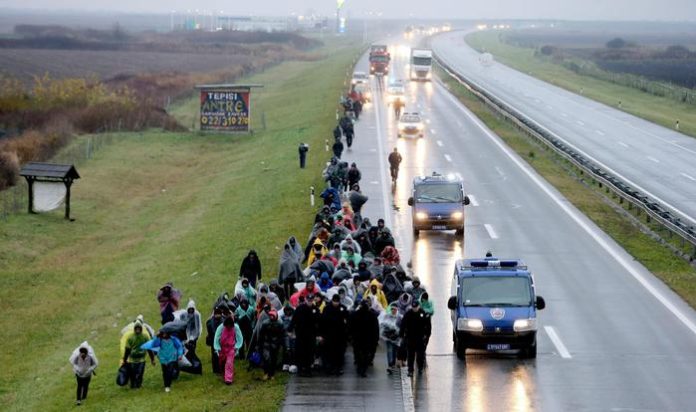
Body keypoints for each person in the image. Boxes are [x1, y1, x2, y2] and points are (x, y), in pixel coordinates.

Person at [320, 294, 349, 375]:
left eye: (337, 301)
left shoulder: (343, 308)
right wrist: (322, 334)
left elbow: (347, 320)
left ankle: (338, 368)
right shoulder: (327, 308)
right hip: (329, 334)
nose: (336, 303)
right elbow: (323, 322)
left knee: (339, 352)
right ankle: (330, 368)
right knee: (329, 352)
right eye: (334, 301)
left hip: (340, 334)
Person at [349, 300, 379, 377]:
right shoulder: (371, 315)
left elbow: (350, 326)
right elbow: (375, 329)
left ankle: (360, 368)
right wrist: (375, 339)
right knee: (365, 354)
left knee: (359, 354)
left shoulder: (355, 314)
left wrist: (350, 337)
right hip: (366, 338)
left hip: (358, 338)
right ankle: (363, 370)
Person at [290, 295, 319, 377]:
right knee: (300, 352)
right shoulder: (300, 308)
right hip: (301, 334)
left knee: (310, 353)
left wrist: (319, 334)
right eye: (308, 299)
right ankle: (300, 370)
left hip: (311, 335)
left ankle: (308, 370)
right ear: (305, 299)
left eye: (311, 300)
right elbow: (294, 319)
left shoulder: (315, 309)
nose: (310, 301)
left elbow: (319, 322)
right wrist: (290, 329)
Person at [122, 322, 154, 388]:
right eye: (136, 329)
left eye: (139, 329)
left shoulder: (145, 336)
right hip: (132, 359)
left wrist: (152, 359)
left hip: (141, 359)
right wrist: (125, 360)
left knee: (140, 372)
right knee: (132, 373)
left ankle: (139, 385)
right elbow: (127, 349)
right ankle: (133, 385)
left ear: (141, 329)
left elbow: (149, 349)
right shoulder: (130, 337)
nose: (137, 330)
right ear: (134, 329)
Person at [401, 300, 428, 377]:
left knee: (420, 355)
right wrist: (402, 334)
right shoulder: (408, 314)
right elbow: (403, 324)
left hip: (420, 338)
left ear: (418, 306)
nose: (414, 309)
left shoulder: (422, 313)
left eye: (416, 307)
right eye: (413, 307)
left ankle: (420, 367)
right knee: (410, 355)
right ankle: (410, 370)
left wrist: (426, 335)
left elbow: (427, 325)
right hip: (410, 337)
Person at [214, 316, 243, 385]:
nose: (229, 327)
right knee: (222, 363)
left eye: (230, 325)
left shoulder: (236, 327)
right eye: (228, 325)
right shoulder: (220, 328)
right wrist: (217, 348)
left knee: (229, 363)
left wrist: (236, 347)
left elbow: (240, 338)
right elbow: (216, 338)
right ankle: (224, 374)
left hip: (231, 348)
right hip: (222, 348)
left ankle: (228, 379)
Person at [258, 310, 285, 380]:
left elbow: (281, 335)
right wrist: (260, 344)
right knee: (266, 358)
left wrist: (279, 343)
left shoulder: (280, 324)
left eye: (273, 316)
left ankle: (272, 374)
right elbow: (261, 334)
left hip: (275, 343)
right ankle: (266, 373)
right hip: (266, 343)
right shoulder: (265, 323)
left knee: (273, 359)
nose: (271, 317)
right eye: (270, 315)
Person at [379, 303, 402, 374]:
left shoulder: (399, 317)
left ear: (397, 309)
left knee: (394, 351)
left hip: (396, 338)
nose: (393, 310)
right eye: (392, 309)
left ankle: (392, 364)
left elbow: (402, 327)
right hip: (388, 336)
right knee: (389, 351)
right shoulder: (387, 316)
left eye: (394, 309)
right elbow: (382, 324)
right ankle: (390, 365)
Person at [206, 308, 224, 374]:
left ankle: (220, 369)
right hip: (214, 340)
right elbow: (210, 332)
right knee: (215, 356)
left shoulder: (223, 320)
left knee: (220, 355)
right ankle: (216, 370)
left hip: (220, 340)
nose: (218, 316)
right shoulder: (210, 322)